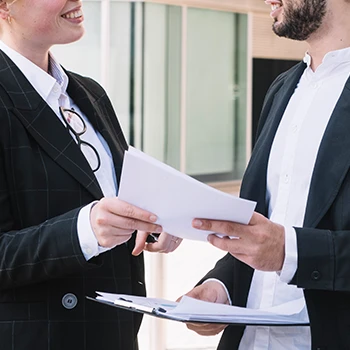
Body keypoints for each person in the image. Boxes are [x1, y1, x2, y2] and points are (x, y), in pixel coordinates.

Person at [0, 0, 182, 349]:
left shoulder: (88, 93)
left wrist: (156, 219)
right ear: (6, 7)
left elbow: (116, 195)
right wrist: (86, 230)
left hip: (111, 329)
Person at [181, 0, 350, 349]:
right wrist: (222, 287)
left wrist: (292, 251)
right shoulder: (282, 89)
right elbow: (263, 230)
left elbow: (281, 247)